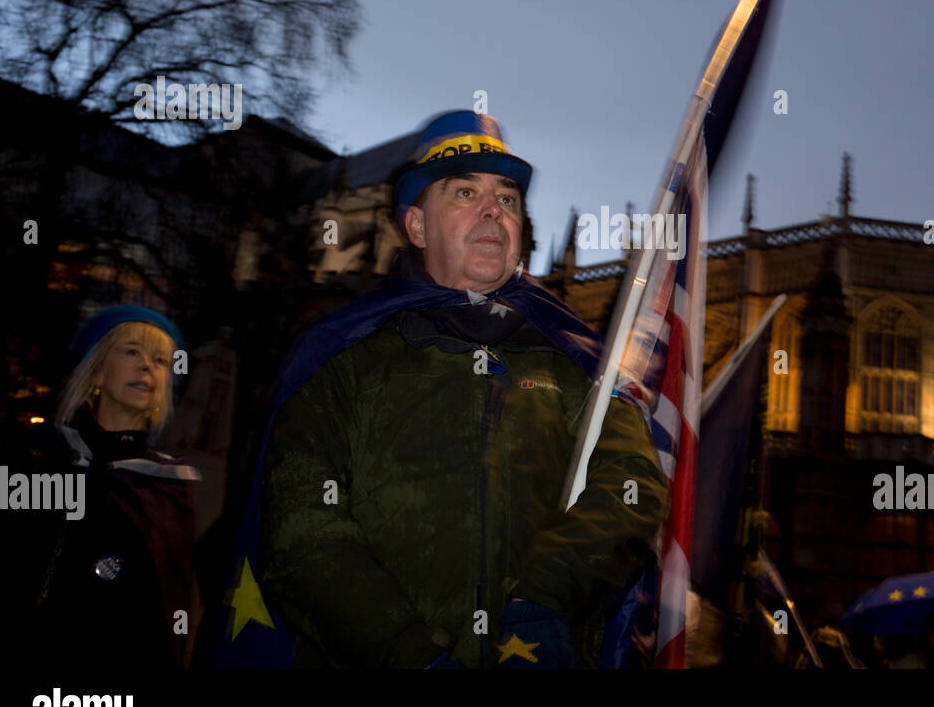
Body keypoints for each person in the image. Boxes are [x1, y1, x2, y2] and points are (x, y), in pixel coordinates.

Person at [251, 110, 668, 668]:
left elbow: (632, 485)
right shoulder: (341, 358)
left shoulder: (576, 362)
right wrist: (405, 651)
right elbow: (301, 527)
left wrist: (542, 603)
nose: (494, 209)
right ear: (417, 226)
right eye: (465, 191)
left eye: (508, 197)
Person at [0, 306, 200, 668]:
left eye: (161, 360)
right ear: (96, 368)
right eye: (132, 351)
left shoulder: (169, 486)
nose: (148, 365)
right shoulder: (36, 458)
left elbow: (166, 609)